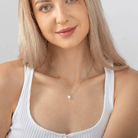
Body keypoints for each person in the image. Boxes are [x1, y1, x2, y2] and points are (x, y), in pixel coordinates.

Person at [0, 0, 138, 137]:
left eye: (71, 0)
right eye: (45, 7)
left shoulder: (128, 85)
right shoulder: (6, 79)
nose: (61, 18)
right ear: (33, 17)